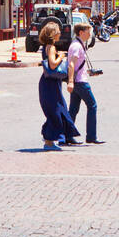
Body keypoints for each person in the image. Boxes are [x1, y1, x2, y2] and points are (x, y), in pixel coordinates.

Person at [37, 22, 80, 150]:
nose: (60, 33)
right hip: (49, 84)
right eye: (58, 31)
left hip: (51, 82)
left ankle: (49, 138)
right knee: (56, 112)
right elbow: (53, 64)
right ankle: (48, 142)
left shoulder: (47, 46)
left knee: (59, 110)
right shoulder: (51, 47)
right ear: (53, 33)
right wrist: (61, 56)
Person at [66, 22, 105, 144]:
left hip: (78, 80)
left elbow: (77, 65)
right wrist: (71, 81)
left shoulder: (78, 44)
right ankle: (91, 136)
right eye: (88, 32)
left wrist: (88, 72)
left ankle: (67, 136)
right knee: (92, 105)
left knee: (73, 109)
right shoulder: (77, 46)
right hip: (80, 82)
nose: (90, 34)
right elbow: (71, 64)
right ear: (81, 32)